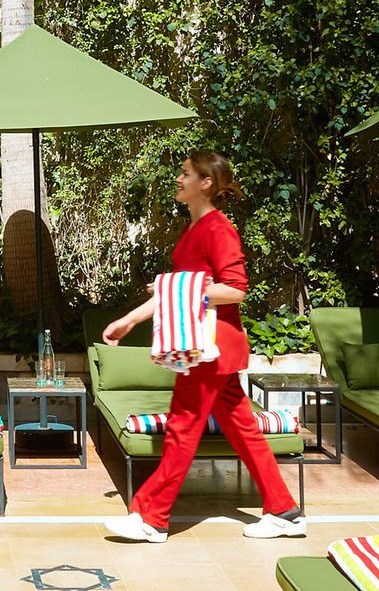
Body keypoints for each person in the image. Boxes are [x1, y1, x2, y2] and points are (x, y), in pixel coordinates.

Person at [101, 151, 306, 543]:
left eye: (186, 174)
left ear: (205, 183)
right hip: (206, 346)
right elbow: (177, 290)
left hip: (210, 348)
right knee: (243, 430)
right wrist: (130, 319)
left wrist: (181, 289)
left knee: (182, 428)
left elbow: (236, 290)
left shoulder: (218, 229)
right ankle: (285, 512)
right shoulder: (194, 228)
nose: (179, 179)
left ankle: (152, 518)